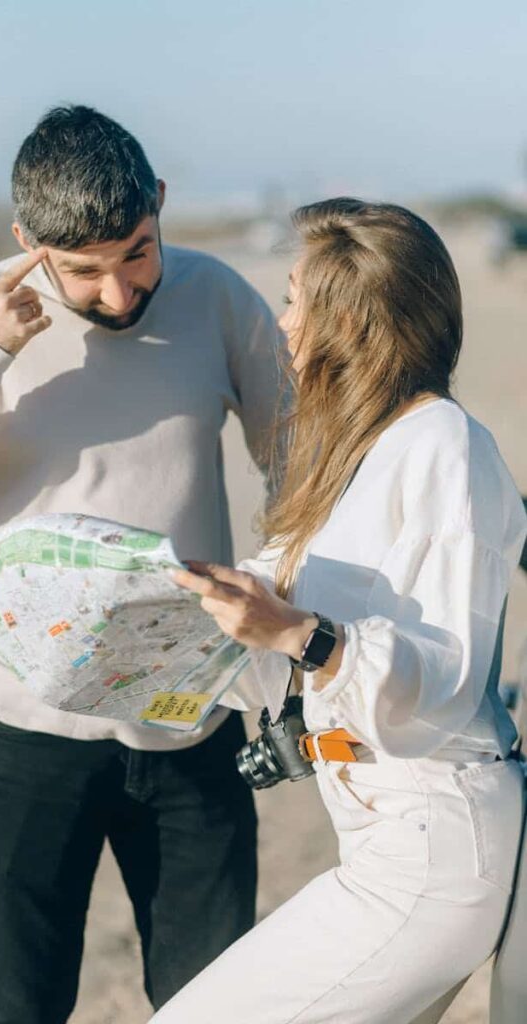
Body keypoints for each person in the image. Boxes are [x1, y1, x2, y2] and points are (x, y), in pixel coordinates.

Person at [0, 105, 286, 1023]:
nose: (119, 293)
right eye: (83, 270)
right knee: (20, 1007)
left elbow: (297, 466)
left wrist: (276, 599)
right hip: (23, 732)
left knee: (214, 1007)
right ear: (27, 241)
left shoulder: (217, 296)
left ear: (159, 204)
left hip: (189, 729)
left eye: (137, 251)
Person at [150, 198, 527, 1024]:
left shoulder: (444, 447)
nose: (282, 324)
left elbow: (446, 682)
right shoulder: (359, 452)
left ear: (351, 324)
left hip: (432, 844)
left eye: (295, 300)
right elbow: (281, 657)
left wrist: (297, 632)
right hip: (380, 836)